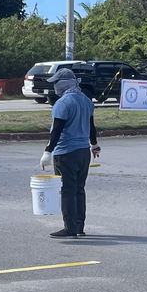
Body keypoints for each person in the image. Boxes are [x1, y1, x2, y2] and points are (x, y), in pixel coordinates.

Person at [43, 66, 100, 239]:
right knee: (79, 189)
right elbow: (91, 126)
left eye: (56, 83)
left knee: (67, 190)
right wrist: (94, 144)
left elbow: (57, 129)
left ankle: (70, 228)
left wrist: (48, 151)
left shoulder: (62, 103)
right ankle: (79, 226)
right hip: (83, 152)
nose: (55, 87)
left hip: (65, 152)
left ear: (63, 84)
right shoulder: (86, 100)